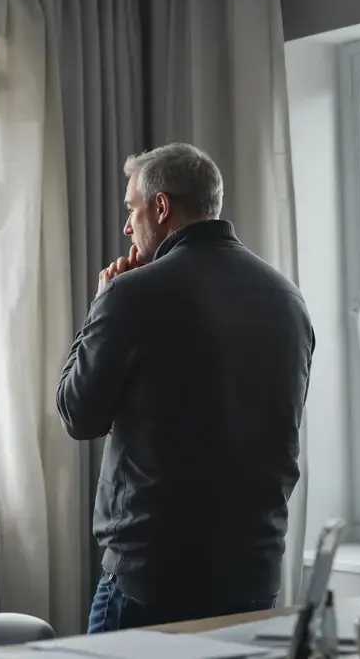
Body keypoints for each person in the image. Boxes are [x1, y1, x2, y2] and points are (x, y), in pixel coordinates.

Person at [56, 143, 315, 633]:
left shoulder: (131, 294)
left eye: (133, 209)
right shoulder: (288, 300)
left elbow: (78, 414)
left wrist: (100, 305)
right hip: (253, 577)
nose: (128, 227)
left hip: (150, 578)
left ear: (161, 206)